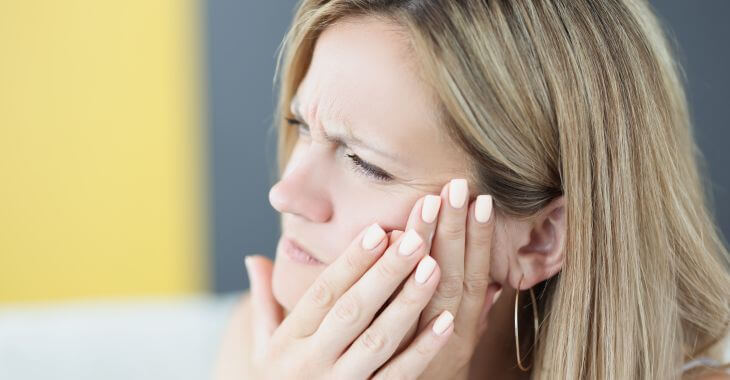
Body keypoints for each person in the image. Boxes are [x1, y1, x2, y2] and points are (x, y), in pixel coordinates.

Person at [214, 1, 730, 379]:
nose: (285, 193)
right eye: (300, 124)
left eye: (363, 163)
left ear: (541, 239)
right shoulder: (274, 348)